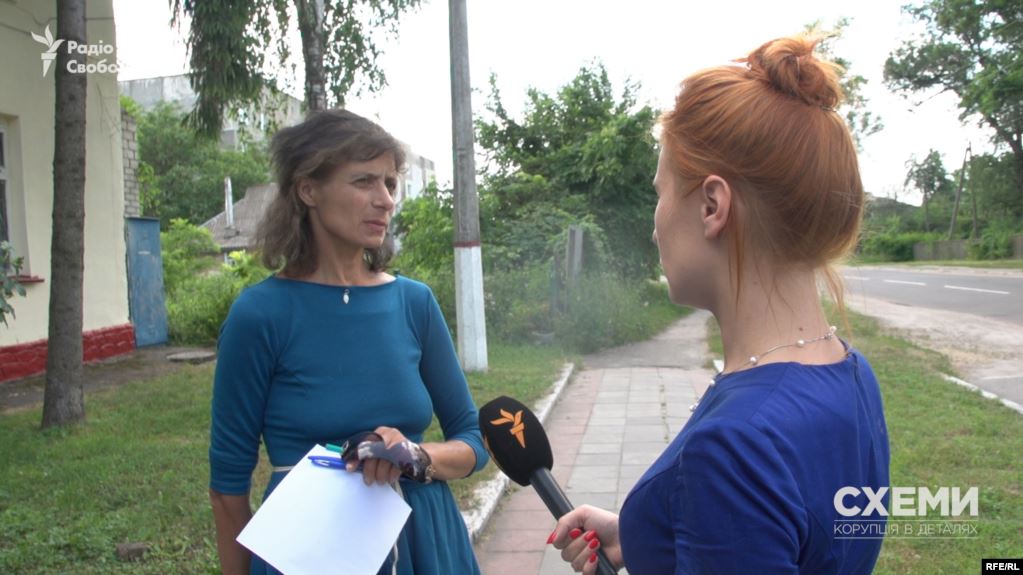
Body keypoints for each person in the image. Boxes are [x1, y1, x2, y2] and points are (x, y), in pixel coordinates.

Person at [548, 35, 890, 574]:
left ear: (712, 205)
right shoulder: (851, 371)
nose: (655, 226)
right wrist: (652, 537)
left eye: (661, 193)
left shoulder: (734, 446)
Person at [208, 109, 489, 575]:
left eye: (390, 184)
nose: (385, 200)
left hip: (424, 544)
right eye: (364, 181)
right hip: (311, 551)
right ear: (308, 190)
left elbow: (474, 440)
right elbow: (227, 489)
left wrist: (416, 456)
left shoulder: (414, 303)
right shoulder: (260, 315)